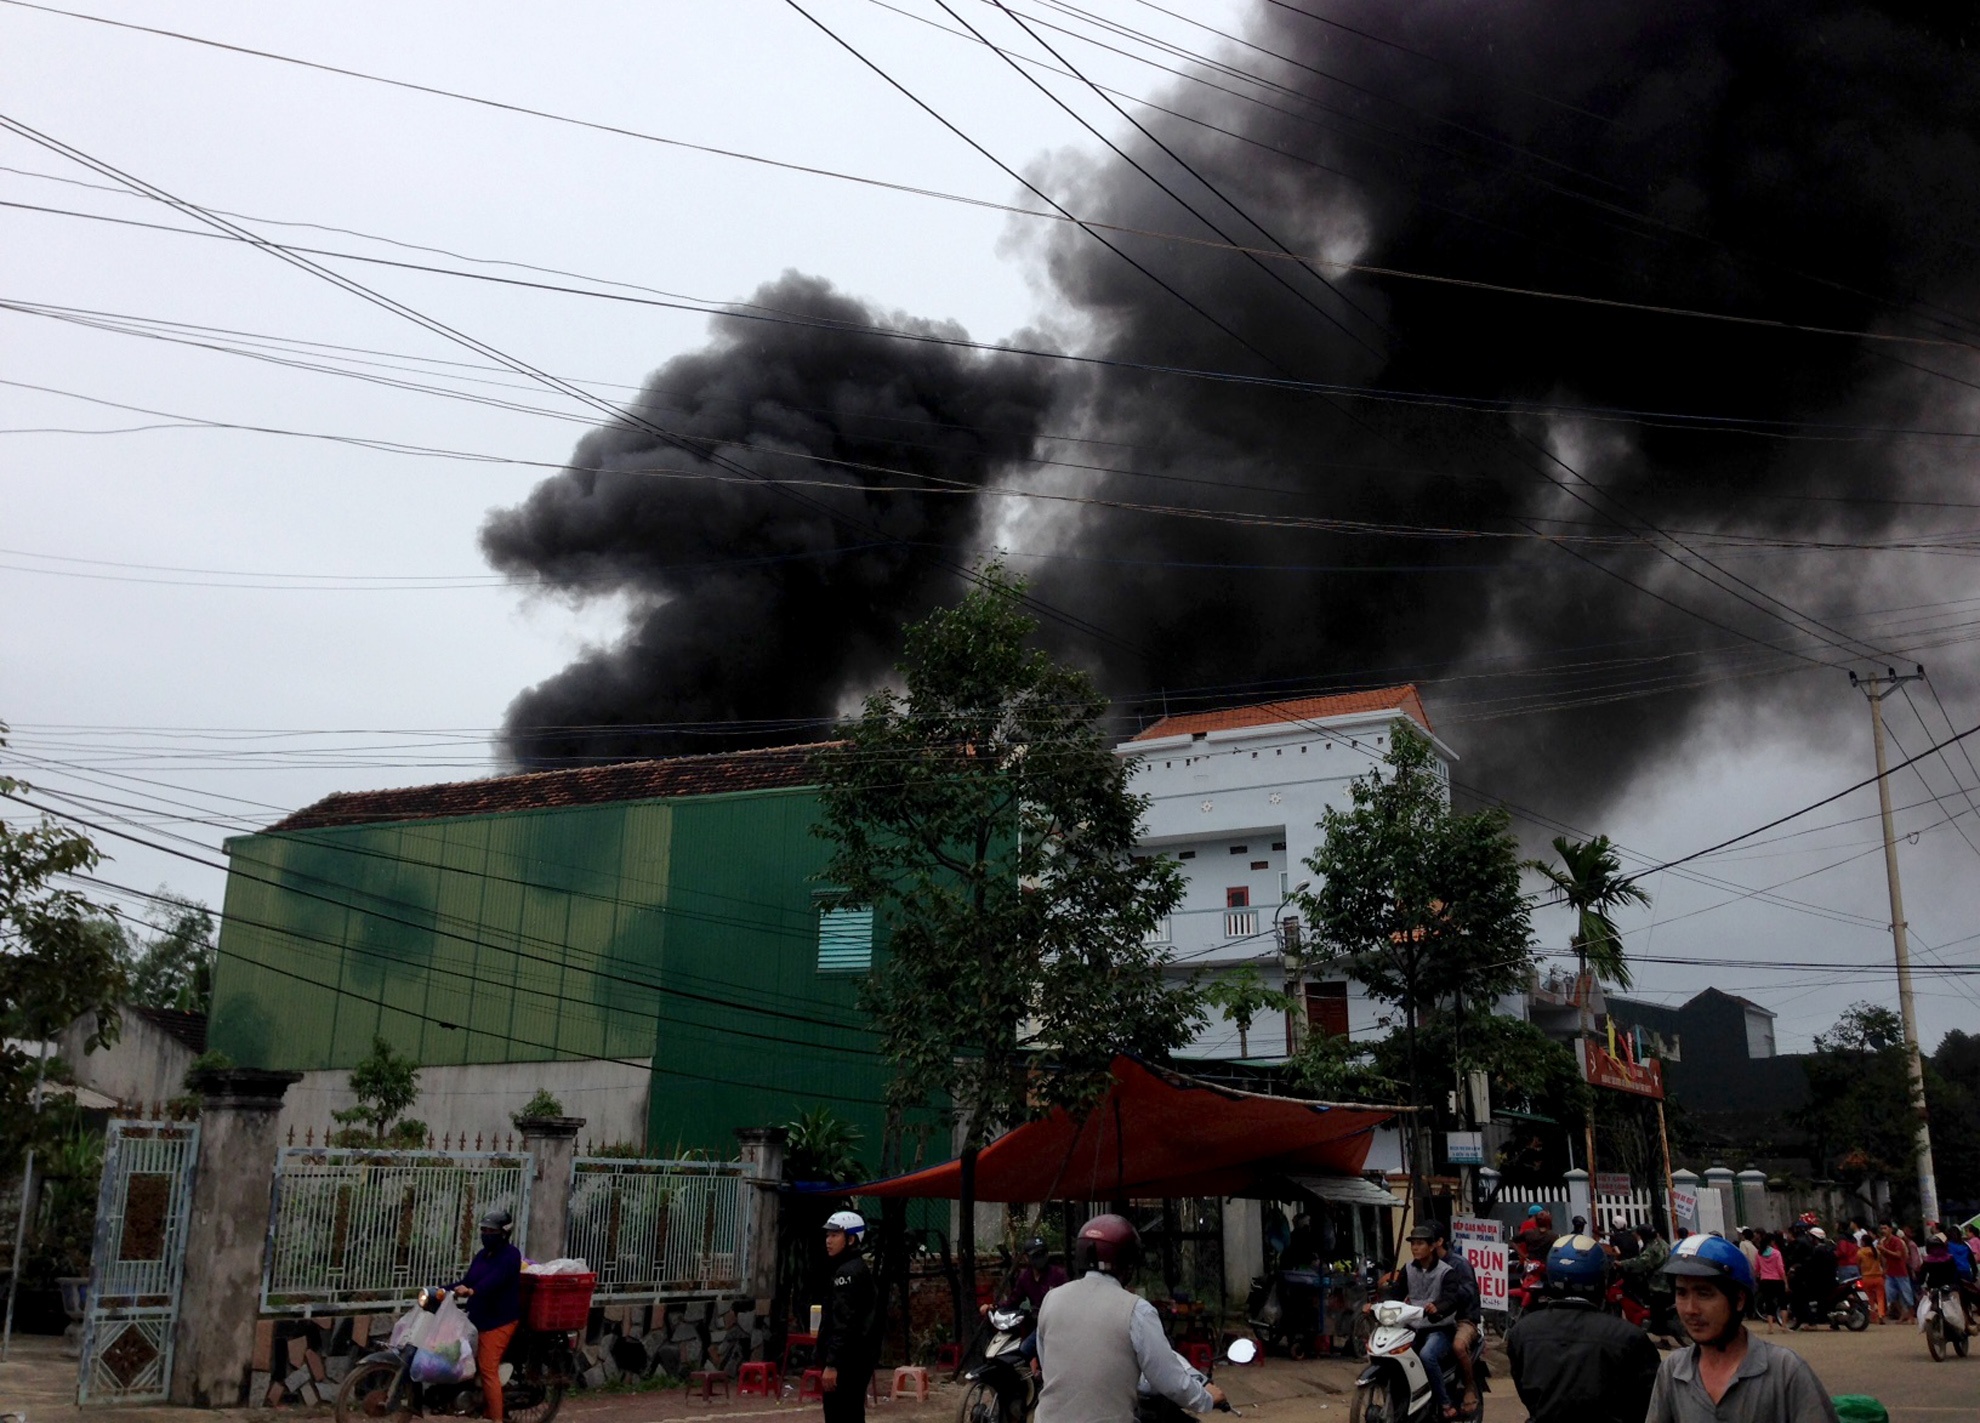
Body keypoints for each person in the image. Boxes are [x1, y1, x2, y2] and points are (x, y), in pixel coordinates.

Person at [1034, 1214, 1223, 1423]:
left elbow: (1048, 1361)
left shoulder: (1051, 1299)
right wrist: (1206, 1398)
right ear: (1128, 1262)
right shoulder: (1136, 1310)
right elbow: (1170, 1380)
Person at [1647, 1233, 1841, 1423]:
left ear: (1739, 1300)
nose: (1690, 1309)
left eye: (1704, 1294)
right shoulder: (1672, 1371)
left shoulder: (1784, 1371)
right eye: (1681, 1293)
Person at [1507, 1233, 1660, 1423]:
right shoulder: (1629, 1337)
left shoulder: (1521, 1332)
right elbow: (1649, 1402)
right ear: (1602, 1279)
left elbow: (1527, 1394)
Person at [1377, 1225, 1463, 1420]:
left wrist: (1438, 1307)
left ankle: (1444, 1402)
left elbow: (1452, 1298)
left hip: (1439, 1328)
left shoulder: (1446, 1272)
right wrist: (1377, 1305)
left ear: (1432, 1246)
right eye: (1413, 1244)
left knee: (1427, 1356)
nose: (1415, 1248)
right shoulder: (1407, 1269)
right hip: (1414, 1326)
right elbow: (1397, 1295)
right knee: (1395, 1355)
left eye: (1420, 1244)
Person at [448, 1208, 523, 1423]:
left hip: (500, 1320)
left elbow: (495, 1281)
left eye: (491, 1230)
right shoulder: (483, 1255)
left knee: (488, 1369)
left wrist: (473, 1292)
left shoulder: (511, 1255)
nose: (485, 1234)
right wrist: (441, 1290)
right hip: (478, 1316)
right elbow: (468, 1280)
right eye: (483, 1230)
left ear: (504, 1233)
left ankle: (497, 1419)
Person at [818, 1210, 878, 1423]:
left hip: (848, 1362)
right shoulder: (853, 1268)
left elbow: (844, 1322)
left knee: (840, 1415)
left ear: (851, 1239)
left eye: (835, 1235)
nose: (828, 1241)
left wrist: (832, 1364)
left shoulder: (847, 1274)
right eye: (827, 1235)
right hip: (857, 1359)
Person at [985, 1236, 1067, 1364]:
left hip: (1056, 1324)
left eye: (1042, 1253)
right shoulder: (1026, 1277)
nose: (1040, 1257)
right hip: (1037, 1324)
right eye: (1036, 1254)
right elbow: (1013, 1300)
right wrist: (994, 1307)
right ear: (1026, 1258)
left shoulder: (1058, 1275)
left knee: (1026, 1348)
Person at [1434, 1225, 1483, 1416]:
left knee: (1458, 1346)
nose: (1417, 1247)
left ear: (1438, 1242)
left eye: (1424, 1242)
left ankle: (1469, 1387)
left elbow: (1468, 1292)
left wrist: (1444, 1300)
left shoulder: (1459, 1264)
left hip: (1463, 1319)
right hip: (1434, 1319)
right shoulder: (1419, 1265)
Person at [1876, 1224, 1915, 1323]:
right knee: (1891, 1295)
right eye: (1881, 1229)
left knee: (1907, 1295)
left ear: (1890, 1229)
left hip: (1900, 1272)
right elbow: (1884, 1257)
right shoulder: (1883, 1241)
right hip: (1890, 1272)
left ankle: (1911, 1316)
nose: (1883, 1231)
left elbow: (1898, 1255)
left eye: (1885, 1228)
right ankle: (1903, 1313)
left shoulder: (1897, 1241)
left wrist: (1884, 1250)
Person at [1751, 1233, 1788, 1331]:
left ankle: (1770, 1327)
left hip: (1765, 1281)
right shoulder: (1776, 1253)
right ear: (1771, 1242)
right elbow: (1781, 1269)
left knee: (1768, 1303)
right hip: (1777, 1280)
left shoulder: (1759, 1253)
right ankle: (1784, 1326)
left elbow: (1757, 1269)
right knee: (1782, 1303)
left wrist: (1755, 1278)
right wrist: (1785, 1281)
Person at [1855, 1226, 1884, 1323]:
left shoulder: (1860, 1252)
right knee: (1880, 1297)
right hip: (1878, 1276)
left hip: (1866, 1277)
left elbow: (1858, 1264)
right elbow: (1882, 1262)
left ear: (1863, 1242)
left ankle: (1873, 1316)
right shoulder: (1876, 1251)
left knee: (1870, 1298)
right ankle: (1881, 1314)